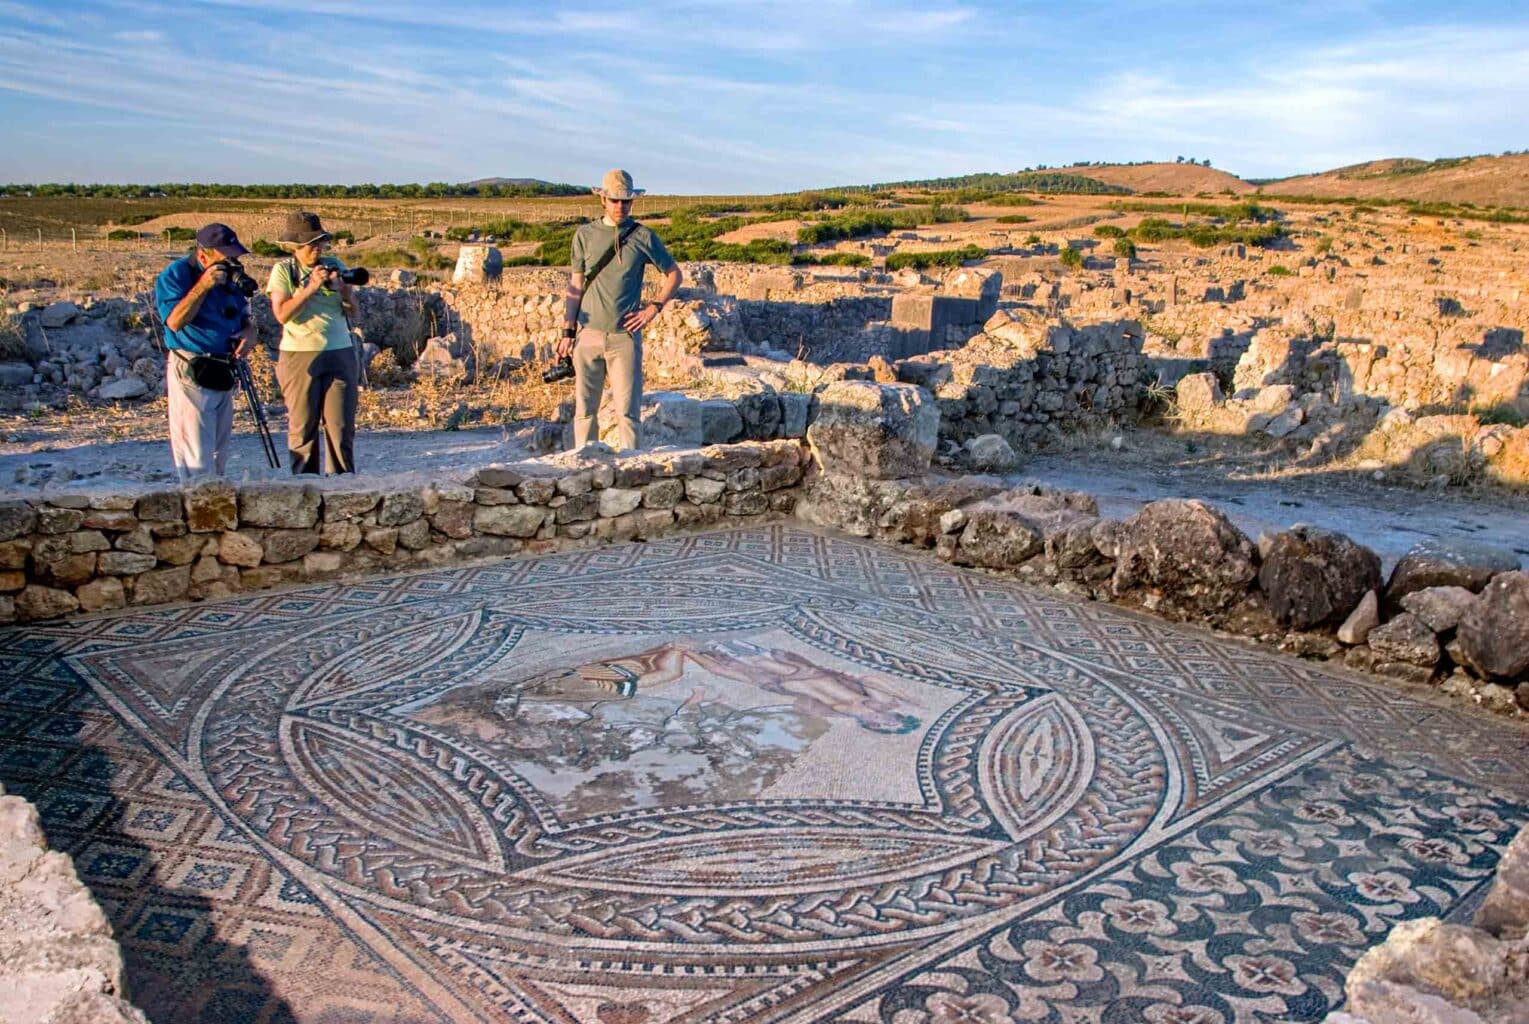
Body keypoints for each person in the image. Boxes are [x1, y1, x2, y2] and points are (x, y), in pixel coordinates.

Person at [558, 169, 683, 451]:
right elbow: (575, 285)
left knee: (628, 413)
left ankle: (631, 476)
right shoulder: (585, 235)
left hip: (624, 337)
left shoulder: (643, 237)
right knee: (585, 412)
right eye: (614, 200)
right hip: (588, 335)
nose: (620, 206)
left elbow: (674, 274)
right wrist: (567, 330)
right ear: (602, 199)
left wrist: (653, 308)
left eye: (625, 201)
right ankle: (585, 471)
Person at [153, 223, 256, 481]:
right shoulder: (175, 276)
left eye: (234, 257)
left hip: (224, 368)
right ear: (203, 256)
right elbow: (175, 322)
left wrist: (250, 332)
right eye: (226, 257)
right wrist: (203, 286)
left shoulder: (231, 278)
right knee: (197, 454)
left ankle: (216, 500)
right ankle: (198, 504)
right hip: (192, 368)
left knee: (218, 453)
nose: (232, 263)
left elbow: (244, 316)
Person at [266, 211, 359, 474]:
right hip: (300, 354)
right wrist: (310, 288)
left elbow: (354, 312)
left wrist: (344, 289)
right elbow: (282, 314)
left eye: (320, 242)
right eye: (311, 244)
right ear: (295, 246)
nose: (317, 249)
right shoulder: (284, 271)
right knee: (303, 426)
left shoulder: (334, 265)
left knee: (341, 427)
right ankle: (304, 486)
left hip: (339, 351)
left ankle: (343, 487)